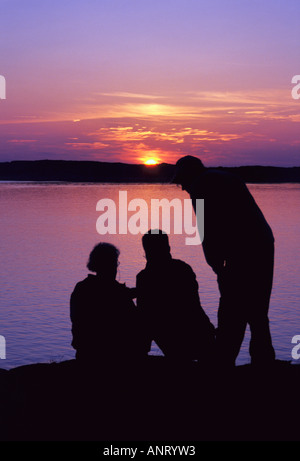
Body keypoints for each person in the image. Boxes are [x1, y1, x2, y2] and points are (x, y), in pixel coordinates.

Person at [172, 155, 276, 367]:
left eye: (181, 181)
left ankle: (223, 364)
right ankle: (263, 362)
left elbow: (208, 230)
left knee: (231, 309)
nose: (182, 188)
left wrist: (217, 266)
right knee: (257, 310)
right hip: (263, 243)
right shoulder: (227, 177)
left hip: (243, 250)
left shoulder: (200, 186)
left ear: (189, 175)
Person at [136, 229, 215, 364]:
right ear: (168, 247)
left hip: (172, 339)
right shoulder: (183, 268)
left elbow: (145, 316)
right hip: (200, 333)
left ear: (146, 251)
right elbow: (195, 306)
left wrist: (141, 349)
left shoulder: (144, 278)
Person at [70, 242, 144, 364]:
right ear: (110, 265)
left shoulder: (82, 288)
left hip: (86, 352)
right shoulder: (116, 292)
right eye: (115, 263)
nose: (116, 267)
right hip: (114, 354)